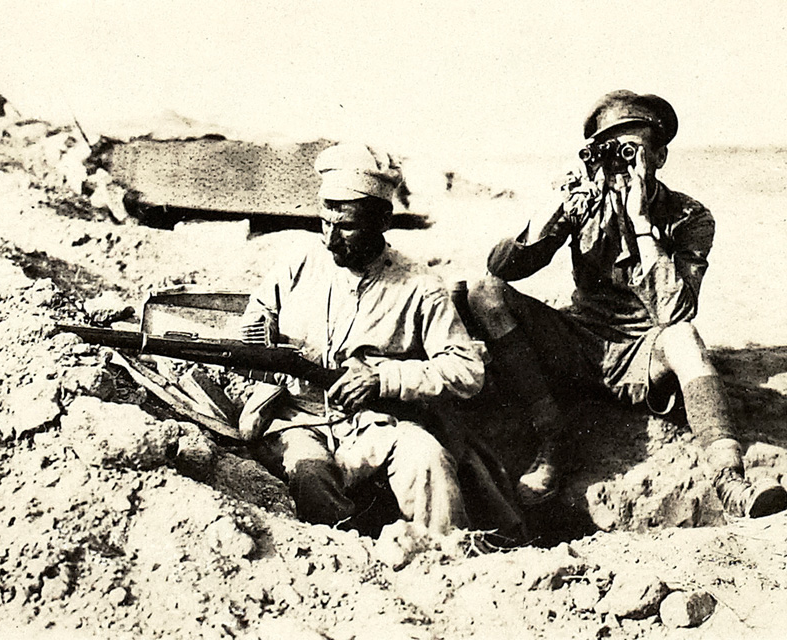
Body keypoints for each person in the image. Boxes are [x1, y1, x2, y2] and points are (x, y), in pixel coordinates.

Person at [467, 90, 787, 518]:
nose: (621, 163)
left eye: (633, 150)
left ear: (660, 156)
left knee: (684, 337)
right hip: (580, 342)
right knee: (481, 292)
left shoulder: (688, 217)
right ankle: (551, 434)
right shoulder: (585, 203)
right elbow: (502, 269)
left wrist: (641, 225)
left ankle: (729, 479)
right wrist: (554, 209)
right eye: (610, 152)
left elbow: (675, 314)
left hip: (645, 351)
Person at [239, 143, 486, 536]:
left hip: (378, 424)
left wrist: (384, 378)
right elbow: (256, 321)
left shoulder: (419, 285)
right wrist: (259, 345)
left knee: (429, 461)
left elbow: (467, 370)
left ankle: (450, 565)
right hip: (299, 421)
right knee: (311, 478)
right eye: (325, 223)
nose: (331, 240)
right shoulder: (297, 265)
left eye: (347, 227)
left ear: (383, 220)